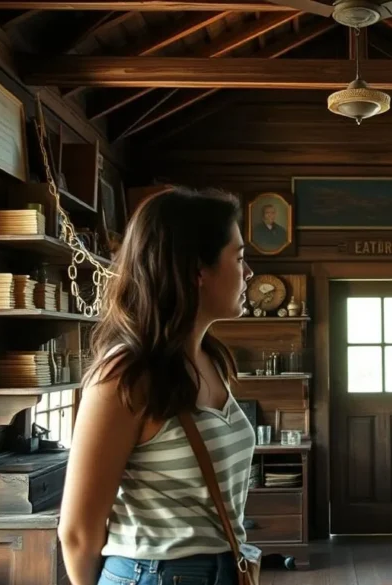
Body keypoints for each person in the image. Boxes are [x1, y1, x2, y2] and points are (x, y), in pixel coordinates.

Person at [58, 187, 256, 585]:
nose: (249, 272)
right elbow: (78, 533)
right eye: (238, 258)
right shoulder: (124, 377)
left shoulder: (210, 358)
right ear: (198, 271)